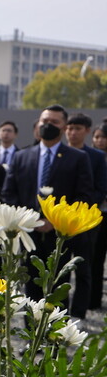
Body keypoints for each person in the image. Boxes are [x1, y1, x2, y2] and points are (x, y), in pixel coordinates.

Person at [2, 105, 94, 314]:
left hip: (59, 235)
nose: (48, 125)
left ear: (63, 127)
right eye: (45, 121)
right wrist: (28, 220)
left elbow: (84, 196)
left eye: (54, 122)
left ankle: (54, 340)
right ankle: (32, 339)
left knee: (56, 287)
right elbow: (9, 194)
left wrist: (55, 220)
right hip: (28, 232)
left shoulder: (78, 158)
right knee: (30, 286)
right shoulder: (22, 156)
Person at [65, 113, 107, 316]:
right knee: (60, 269)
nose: (72, 133)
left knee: (84, 268)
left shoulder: (96, 157)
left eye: (77, 129)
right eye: (70, 128)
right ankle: (59, 310)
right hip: (61, 221)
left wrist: (85, 209)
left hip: (86, 221)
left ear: (87, 131)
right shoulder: (59, 154)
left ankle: (79, 313)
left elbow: (100, 188)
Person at [89, 121, 107, 309]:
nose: (99, 140)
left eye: (103, 137)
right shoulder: (90, 158)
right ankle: (93, 300)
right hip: (99, 212)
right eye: (97, 137)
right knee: (96, 257)